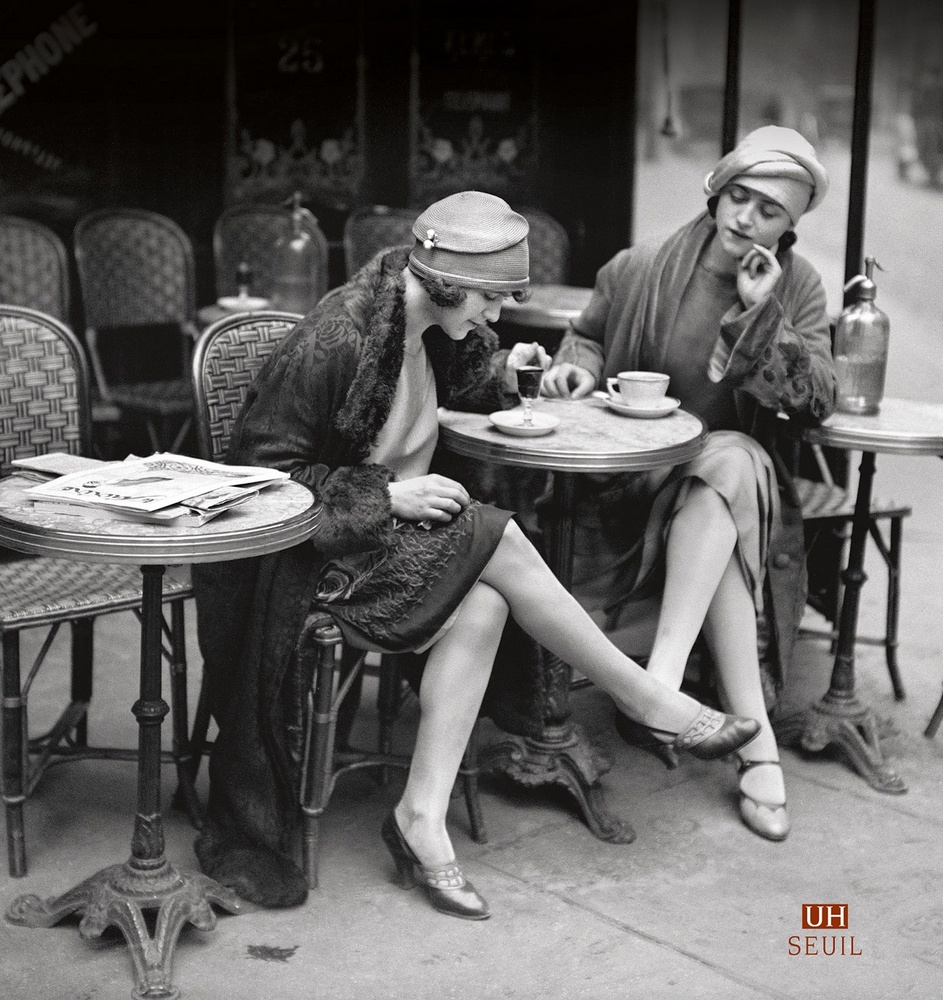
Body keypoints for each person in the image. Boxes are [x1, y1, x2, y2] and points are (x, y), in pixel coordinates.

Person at [192, 190, 761, 920]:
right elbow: (263, 477)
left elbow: (458, 381)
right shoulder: (338, 335)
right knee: (496, 532)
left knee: (488, 598)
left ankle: (419, 819)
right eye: (490, 300)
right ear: (444, 279)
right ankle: (643, 695)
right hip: (315, 552)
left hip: (386, 539)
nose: (495, 316)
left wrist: (508, 369)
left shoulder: (425, 317)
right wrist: (385, 498)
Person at [542, 127, 837, 842]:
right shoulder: (639, 266)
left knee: (730, 457)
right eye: (738, 197)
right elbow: (584, 336)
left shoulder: (796, 286)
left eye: (768, 210)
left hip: (730, 483)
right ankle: (756, 746)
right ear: (715, 190)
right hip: (633, 486)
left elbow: (817, 400)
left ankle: (660, 681)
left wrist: (763, 313)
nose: (745, 218)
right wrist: (574, 367)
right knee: (723, 518)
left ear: (789, 225)